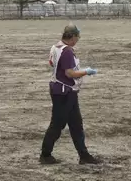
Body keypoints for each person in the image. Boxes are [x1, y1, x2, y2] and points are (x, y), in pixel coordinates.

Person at [40, 23, 100, 165]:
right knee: (57, 124)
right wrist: (86, 71)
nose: (77, 41)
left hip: (63, 91)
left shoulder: (56, 47)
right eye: (76, 38)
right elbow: (70, 73)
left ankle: (84, 155)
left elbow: (52, 63)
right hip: (64, 92)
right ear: (72, 37)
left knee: (76, 124)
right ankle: (45, 154)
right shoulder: (67, 51)